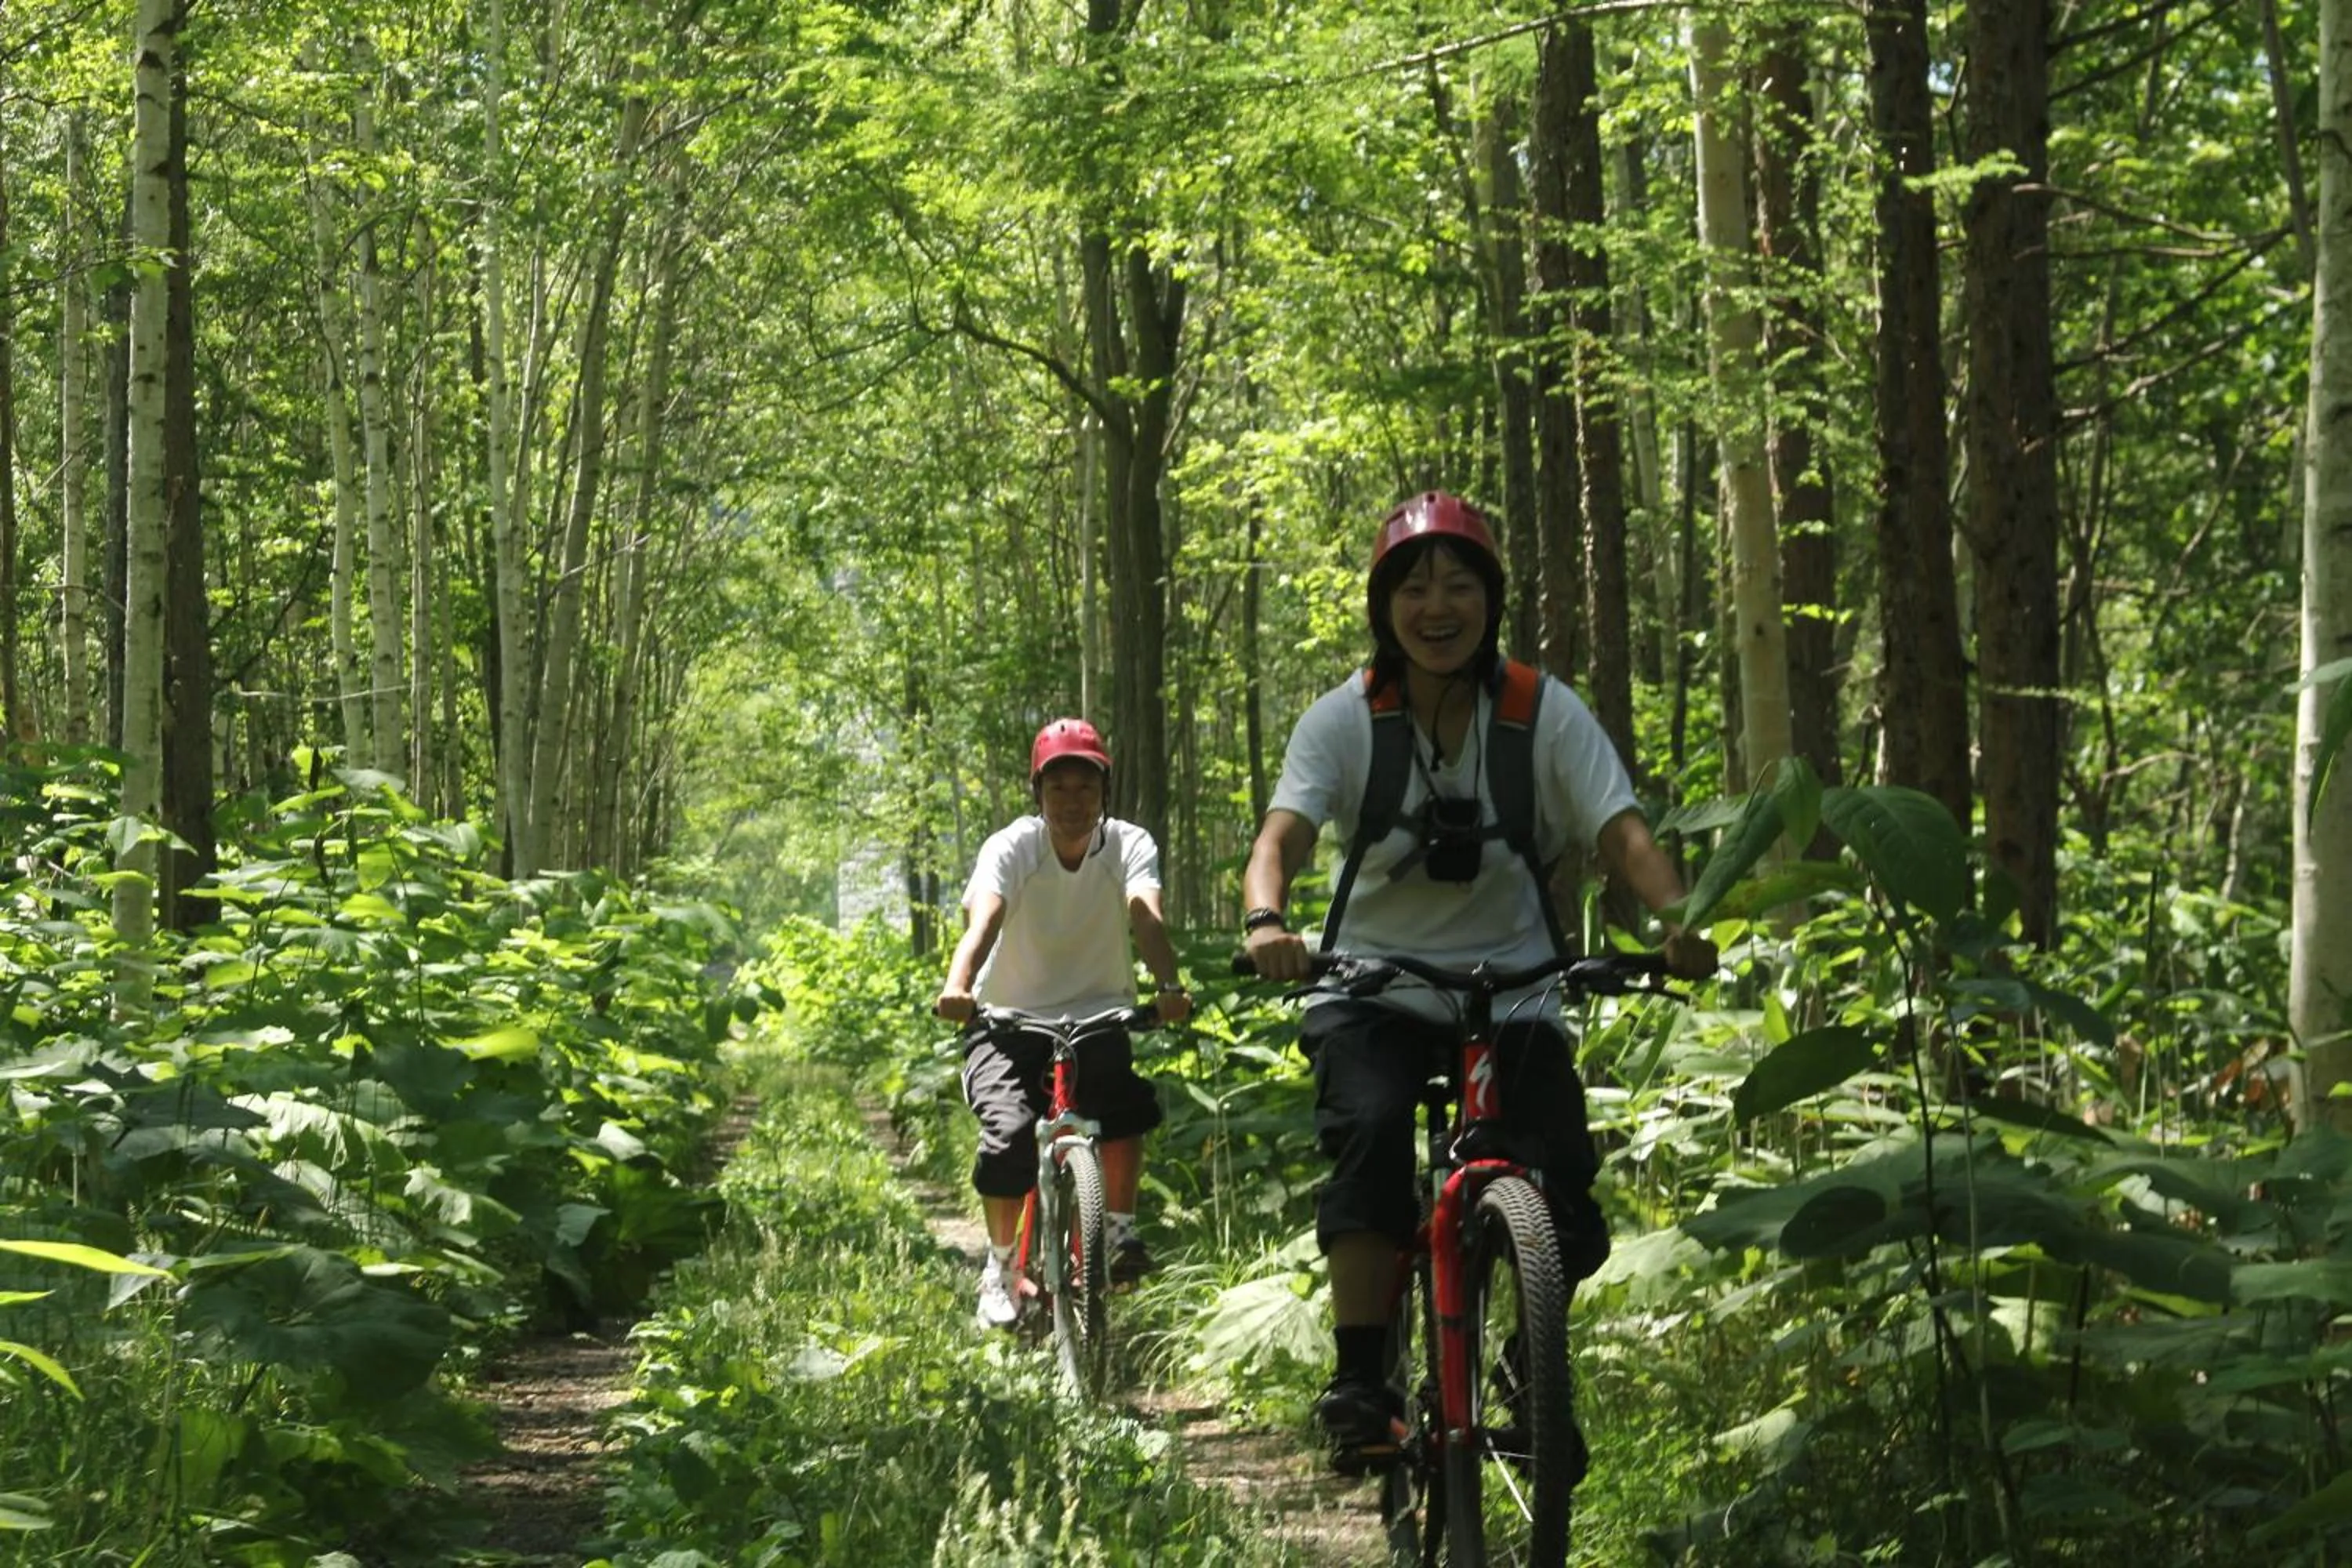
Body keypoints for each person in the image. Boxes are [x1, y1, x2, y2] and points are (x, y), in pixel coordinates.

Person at [1239, 491, 1716, 1464]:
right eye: (1414, 587)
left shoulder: (1543, 711)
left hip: (1517, 987)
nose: (1437, 604)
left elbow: (1623, 832)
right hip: (1372, 986)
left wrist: (1680, 921)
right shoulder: (1344, 719)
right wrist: (1266, 920)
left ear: (1490, 601)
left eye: (1460, 583)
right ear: (1385, 608)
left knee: (1566, 1192)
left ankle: (1526, 1361)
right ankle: (1362, 1374)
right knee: (1369, 1140)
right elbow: (1279, 837)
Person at [935, 717, 1193, 1329]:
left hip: (1097, 1011)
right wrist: (958, 986)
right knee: (1009, 1132)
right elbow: (985, 920)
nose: (1072, 802)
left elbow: (1145, 916)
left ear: (1105, 792)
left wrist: (1168, 987)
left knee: (1126, 1105)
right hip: (1006, 1018)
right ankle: (999, 1269)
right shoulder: (1013, 846)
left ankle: (1121, 1233)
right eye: (1059, 789)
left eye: (1086, 788)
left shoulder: (1129, 844)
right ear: (1038, 793)